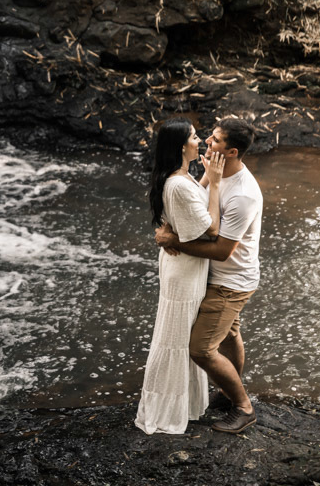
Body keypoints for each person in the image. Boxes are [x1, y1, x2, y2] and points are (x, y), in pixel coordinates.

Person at [154, 117, 262, 434]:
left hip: (230, 280)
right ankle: (229, 394)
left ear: (230, 151)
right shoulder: (216, 174)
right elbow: (198, 210)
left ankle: (243, 408)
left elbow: (221, 250)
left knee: (200, 349)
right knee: (228, 334)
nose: (206, 141)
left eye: (214, 140)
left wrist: (176, 242)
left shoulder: (244, 194)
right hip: (217, 276)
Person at [135, 118, 225, 434]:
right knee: (174, 338)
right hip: (184, 273)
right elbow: (211, 229)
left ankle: (183, 405)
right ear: (181, 146)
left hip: (185, 267)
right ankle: (164, 411)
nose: (199, 141)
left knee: (181, 337)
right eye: (194, 137)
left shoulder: (179, 177)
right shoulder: (177, 184)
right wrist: (214, 182)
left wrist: (203, 180)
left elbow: (191, 204)